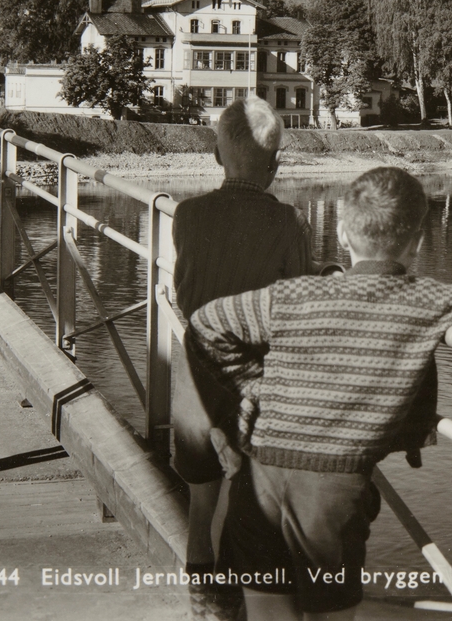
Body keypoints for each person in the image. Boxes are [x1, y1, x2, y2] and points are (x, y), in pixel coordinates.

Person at [188, 166, 452, 621]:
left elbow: (206, 324)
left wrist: (255, 387)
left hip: (261, 473)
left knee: (268, 613)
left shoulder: (293, 295)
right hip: (333, 490)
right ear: (418, 243)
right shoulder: (431, 301)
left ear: (344, 234)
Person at [172, 96, 315, 619]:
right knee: (250, 515)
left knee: (200, 508)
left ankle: (202, 609)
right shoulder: (288, 223)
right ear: (275, 168)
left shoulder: (187, 215)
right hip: (253, 387)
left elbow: (185, 294)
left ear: (215, 154)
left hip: (193, 382)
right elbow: (295, 300)